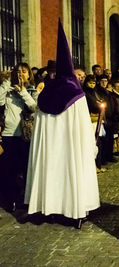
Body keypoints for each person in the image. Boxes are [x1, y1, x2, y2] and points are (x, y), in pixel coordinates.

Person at [24, 21, 99, 228]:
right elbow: (84, 127)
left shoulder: (46, 93)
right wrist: (89, 146)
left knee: (51, 171)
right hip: (70, 148)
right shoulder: (77, 95)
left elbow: (39, 122)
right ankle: (72, 209)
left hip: (49, 149)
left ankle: (48, 207)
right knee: (69, 171)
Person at [0, 63, 37, 212]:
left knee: (25, 169)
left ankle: (26, 200)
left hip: (26, 136)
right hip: (9, 134)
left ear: (29, 75)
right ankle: (11, 200)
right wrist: (7, 82)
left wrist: (22, 92)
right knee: (9, 170)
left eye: (24, 71)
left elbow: (35, 108)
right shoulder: (7, 90)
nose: (21, 74)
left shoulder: (32, 90)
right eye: (18, 71)